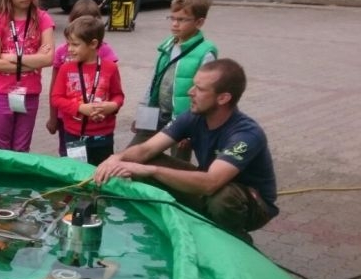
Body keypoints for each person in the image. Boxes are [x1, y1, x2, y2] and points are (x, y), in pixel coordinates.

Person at [94, 59, 277, 239]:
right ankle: (176, 222)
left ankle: (235, 240)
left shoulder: (246, 134)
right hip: (209, 187)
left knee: (222, 197)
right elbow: (146, 150)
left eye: (200, 89)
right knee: (138, 162)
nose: (190, 92)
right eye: (193, 85)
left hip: (252, 204)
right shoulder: (194, 116)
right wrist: (116, 158)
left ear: (223, 98)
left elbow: (211, 182)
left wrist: (152, 170)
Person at [131, 0, 217, 161]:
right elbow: (154, 80)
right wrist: (142, 115)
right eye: (172, 18)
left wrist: (192, 129)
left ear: (199, 22)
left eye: (182, 20)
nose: (175, 24)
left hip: (183, 120)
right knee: (134, 153)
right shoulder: (167, 45)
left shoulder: (205, 52)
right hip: (157, 113)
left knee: (178, 162)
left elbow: (206, 94)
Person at [0, 0, 54, 152]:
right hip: (2, 93)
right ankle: (0, 182)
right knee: (2, 146)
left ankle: (17, 182)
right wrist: (32, 62)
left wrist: (12, 57)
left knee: (22, 147)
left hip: (29, 94)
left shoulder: (43, 19)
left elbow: (48, 59)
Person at [47, 0, 119, 156]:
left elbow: (118, 95)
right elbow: (56, 97)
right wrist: (80, 108)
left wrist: (111, 107)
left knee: (101, 173)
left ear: (93, 43)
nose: (69, 49)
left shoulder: (110, 67)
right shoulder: (66, 68)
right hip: (73, 131)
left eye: (75, 44)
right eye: (68, 44)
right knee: (74, 171)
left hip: (103, 134)